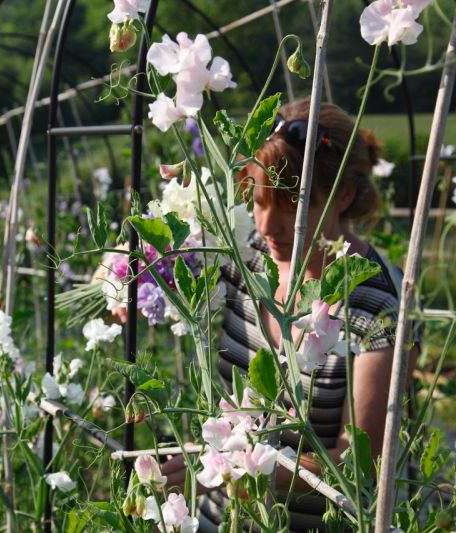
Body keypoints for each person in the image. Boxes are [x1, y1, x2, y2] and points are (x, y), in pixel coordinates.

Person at [109, 99, 417, 531]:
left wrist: (249, 466)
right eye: (257, 201)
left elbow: (359, 464)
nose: (268, 226)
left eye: (291, 206)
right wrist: (124, 275)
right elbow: (148, 256)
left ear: (344, 195)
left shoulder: (378, 306)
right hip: (221, 518)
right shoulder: (246, 253)